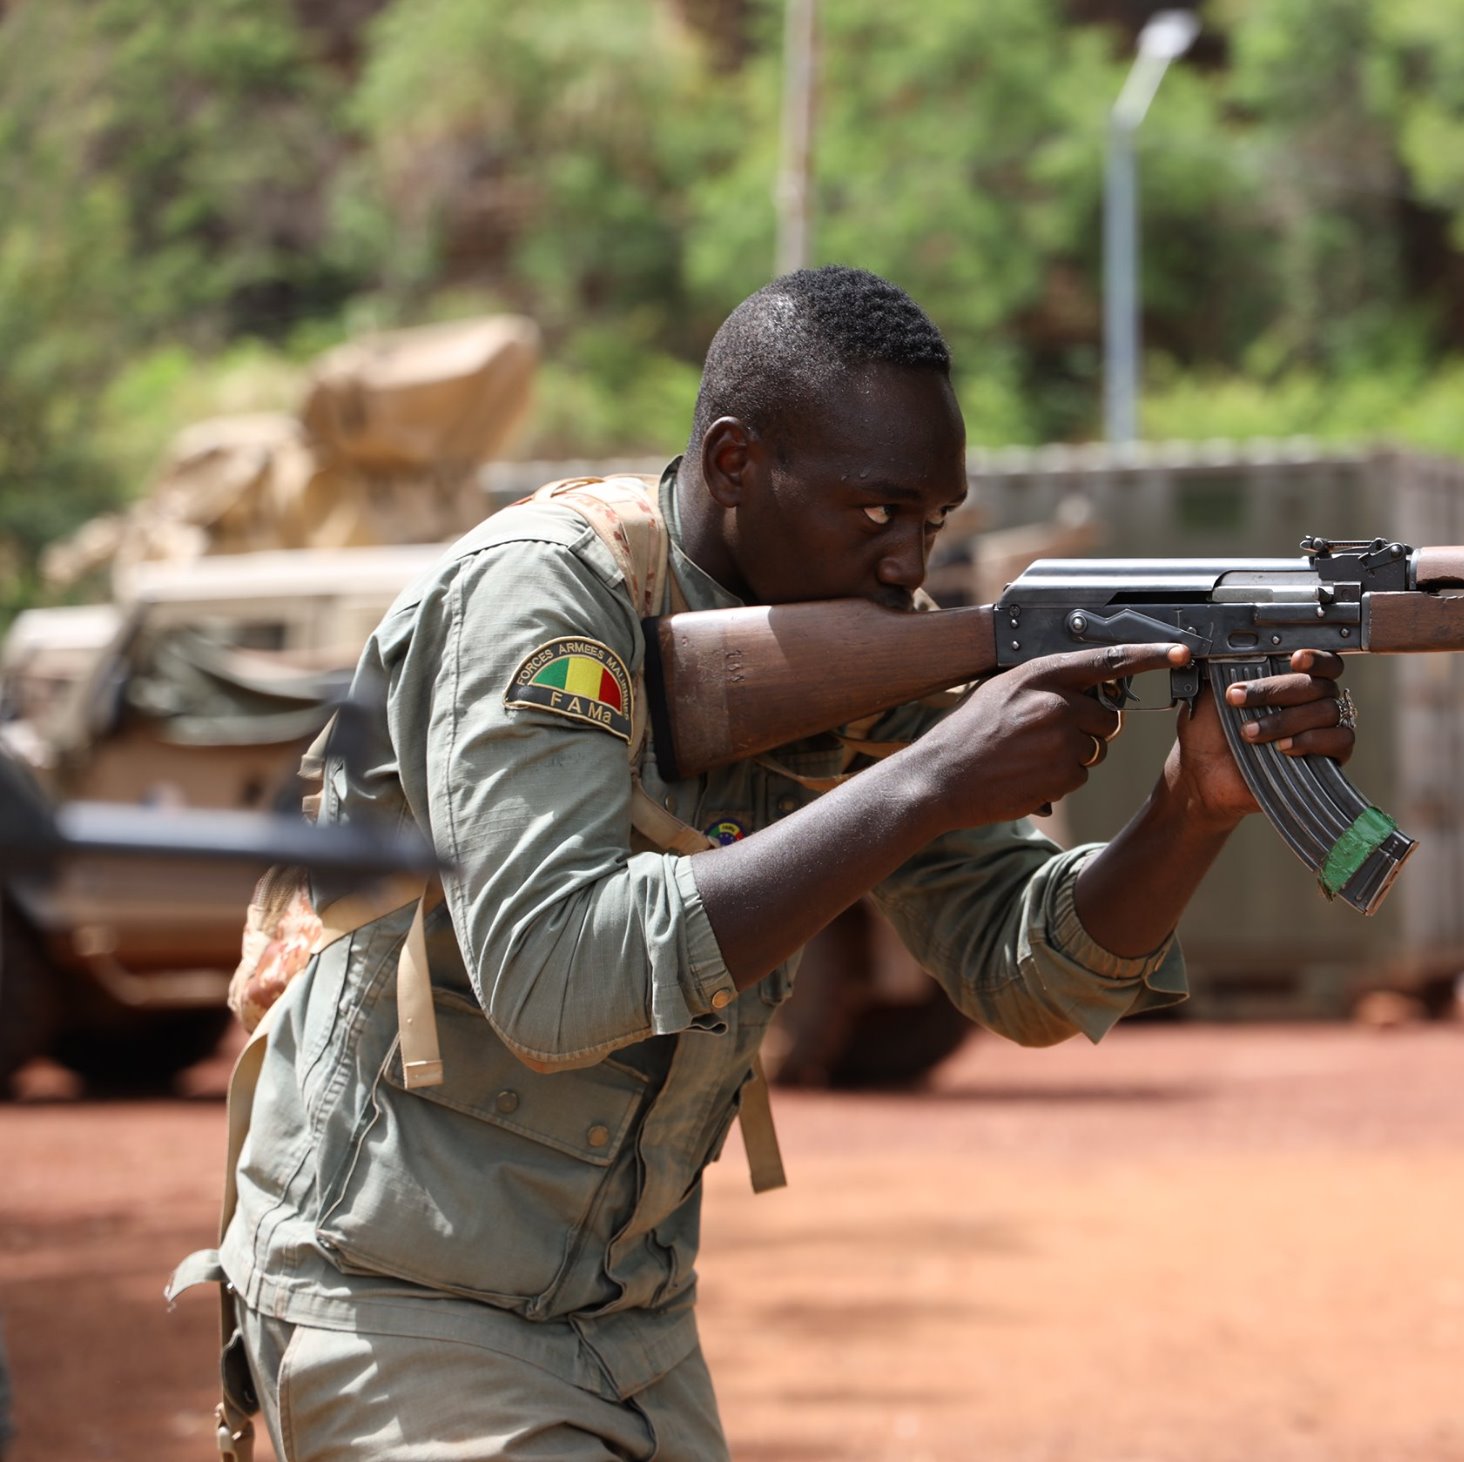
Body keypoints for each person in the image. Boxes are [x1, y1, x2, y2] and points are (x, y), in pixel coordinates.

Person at [202, 266, 1352, 1459]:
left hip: (627, 1326)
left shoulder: (857, 646)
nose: (909, 562)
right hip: (395, 1303)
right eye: (877, 511)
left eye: (935, 520)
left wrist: (1191, 808)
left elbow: (1027, 977)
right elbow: (553, 978)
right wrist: (926, 780)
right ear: (736, 460)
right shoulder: (545, 597)